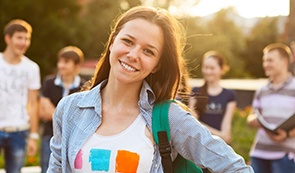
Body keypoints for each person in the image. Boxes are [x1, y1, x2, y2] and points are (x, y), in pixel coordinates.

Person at [47, 6, 253, 173]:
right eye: (127, 41)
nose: (133, 54)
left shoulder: (168, 117)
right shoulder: (69, 109)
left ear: (156, 65)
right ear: (112, 42)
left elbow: (235, 168)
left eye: (148, 51)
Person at [247, 43, 295, 173]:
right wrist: (253, 120)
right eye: (264, 61)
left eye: (270, 60)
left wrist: (287, 135)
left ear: (284, 62)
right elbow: (252, 115)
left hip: (284, 155)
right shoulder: (262, 90)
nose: (265, 64)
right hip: (259, 153)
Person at [0, 19, 41, 172]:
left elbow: (33, 103)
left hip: (19, 131)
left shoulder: (31, 68)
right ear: (8, 38)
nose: (24, 42)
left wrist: (34, 135)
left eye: (27, 38)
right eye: (19, 37)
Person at [38, 46, 85, 173]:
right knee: (46, 169)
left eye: (66, 62)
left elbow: (82, 117)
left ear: (76, 65)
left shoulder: (84, 87)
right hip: (49, 135)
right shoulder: (49, 82)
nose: (61, 65)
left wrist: (55, 114)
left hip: (73, 139)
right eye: (60, 61)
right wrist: (68, 118)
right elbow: (43, 111)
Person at [189, 50, 237, 144]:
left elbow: (226, 135)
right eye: (206, 67)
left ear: (221, 69)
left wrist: (202, 126)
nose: (208, 71)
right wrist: (219, 135)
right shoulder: (195, 92)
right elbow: (192, 123)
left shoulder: (229, 95)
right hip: (199, 144)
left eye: (212, 68)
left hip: (219, 147)